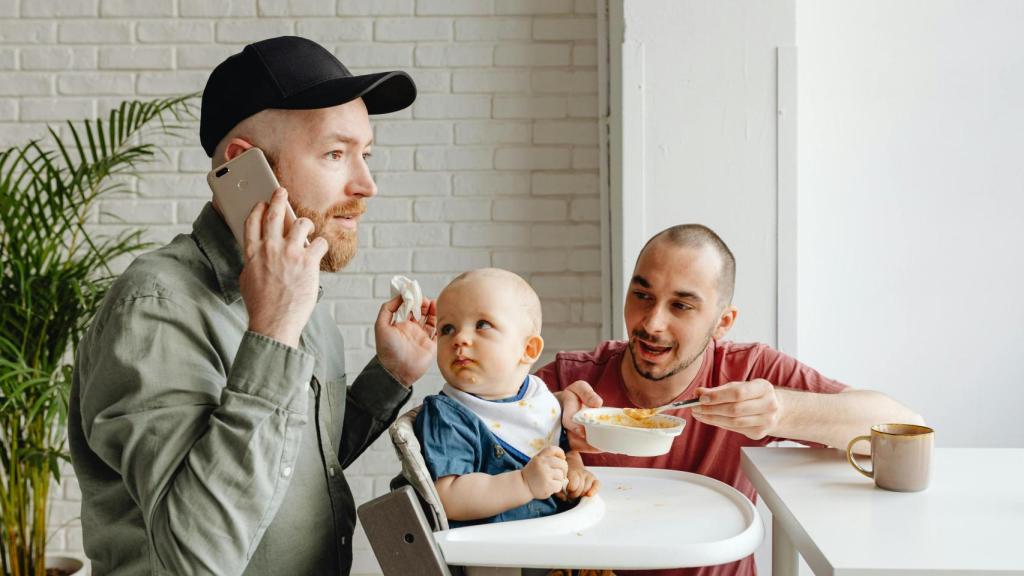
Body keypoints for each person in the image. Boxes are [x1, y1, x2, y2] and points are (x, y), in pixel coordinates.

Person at [69, 36, 436, 576]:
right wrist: (274, 331)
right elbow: (195, 558)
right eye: (335, 154)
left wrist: (390, 375)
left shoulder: (296, 296)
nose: (367, 185)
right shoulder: (155, 307)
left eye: (366, 155)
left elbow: (292, 467)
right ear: (244, 165)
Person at [540, 224, 923, 576]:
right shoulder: (570, 380)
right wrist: (539, 421)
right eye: (642, 296)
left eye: (681, 306)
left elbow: (906, 427)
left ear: (723, 322)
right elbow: (498, 433)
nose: (652, 323)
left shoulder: (751, 370)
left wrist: (781, 411)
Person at [415, 268, 599, 528]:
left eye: (482, 325)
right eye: (447, 329)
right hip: (495, 549)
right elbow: (448, 497)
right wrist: (524, 483)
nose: (460, 339)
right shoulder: (448, 415)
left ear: (528, 349)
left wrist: (573, 471)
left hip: (554, 538)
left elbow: (562, 449)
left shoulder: (538, 398)